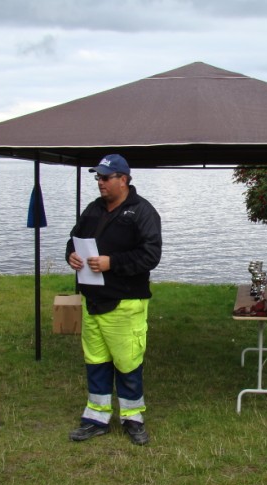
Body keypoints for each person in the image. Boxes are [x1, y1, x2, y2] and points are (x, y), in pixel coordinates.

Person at [65, 153, 162, 446]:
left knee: (128, 363)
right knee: (95, 361)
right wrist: (71, 255)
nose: (100, 182)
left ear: (124, 179)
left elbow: (150, 255)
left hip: (126, 303)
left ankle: (133, 418)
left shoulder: (143, 212)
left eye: (106, 177)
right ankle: (96, 418)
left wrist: (112, 263)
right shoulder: (93, 209)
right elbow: (73, 239)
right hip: (93, 300)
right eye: (98, 177)